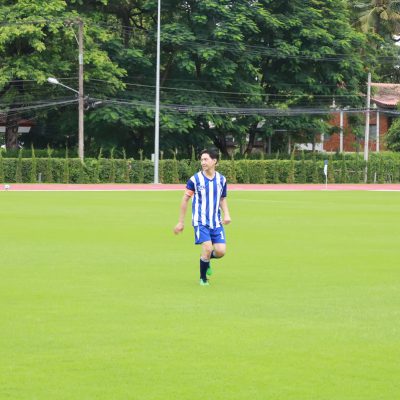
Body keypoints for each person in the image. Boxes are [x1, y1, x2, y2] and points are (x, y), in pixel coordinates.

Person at [174, 148, 231, 286]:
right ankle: (203, 279)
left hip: (216, 222)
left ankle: (206, 258)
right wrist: (181, 222)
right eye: (201, 159)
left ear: (214, 161)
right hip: (200, 222)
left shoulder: (222, 179)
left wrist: (227, 214)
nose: (203, 162)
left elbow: (222, 198)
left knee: (220, 251)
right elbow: (185, 199)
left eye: (206, 159)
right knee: (207, 248)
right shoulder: (195, 179)